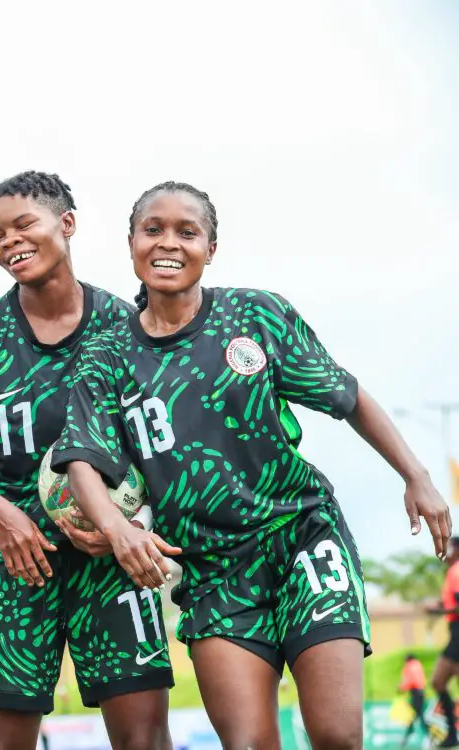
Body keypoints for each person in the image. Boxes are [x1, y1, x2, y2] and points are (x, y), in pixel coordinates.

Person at [49, 181, 451, 750]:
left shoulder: (257, 316)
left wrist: (417, 476)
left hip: (301, 536)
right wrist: (117, 529)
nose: (169, 243)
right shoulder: (107, 354)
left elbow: (347, 396)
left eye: (188, 232)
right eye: (153, 230)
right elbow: (81, 461)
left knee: (337, 735)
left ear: (210, 249)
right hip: (212, 569)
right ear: (131, 242)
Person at [0, 171, 173, 750]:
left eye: (23, 225)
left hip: (114, 562)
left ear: (66, 224)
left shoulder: (124, 325)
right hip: (20, 559)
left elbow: (163, 444)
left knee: (144, 741)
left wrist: (133, 524)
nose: (9, 242)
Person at [427, 536, 459, 747]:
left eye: (450, 547)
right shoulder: (452, 572)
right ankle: (452, 734)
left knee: (439, 680)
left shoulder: (456, 571)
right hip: (455, 633)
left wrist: (438, 611)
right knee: (439, 681)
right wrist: (441, 605)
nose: (445, 551)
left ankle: (452, 735)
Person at [398, 653, 430, 747]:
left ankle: (428, 737)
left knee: (416, 716)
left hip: (415, 693)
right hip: (421, 693)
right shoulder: (418, 664)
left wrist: (401, 688)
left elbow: (409, 680)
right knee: (417, 715)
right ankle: (408, 736)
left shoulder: (409, 666)